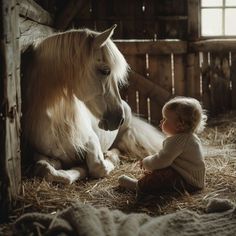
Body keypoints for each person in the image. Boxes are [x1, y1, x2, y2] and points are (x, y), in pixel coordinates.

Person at [118, 96, 207, 198]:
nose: (161, 122)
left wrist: (146, 162)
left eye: (165, 119)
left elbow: (161, 160)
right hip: (191, 178)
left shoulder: (177, 141)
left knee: (163, 176)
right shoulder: (189, 138)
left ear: (179, 125)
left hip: (187, 181)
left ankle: (139, 186)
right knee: (162, 171)